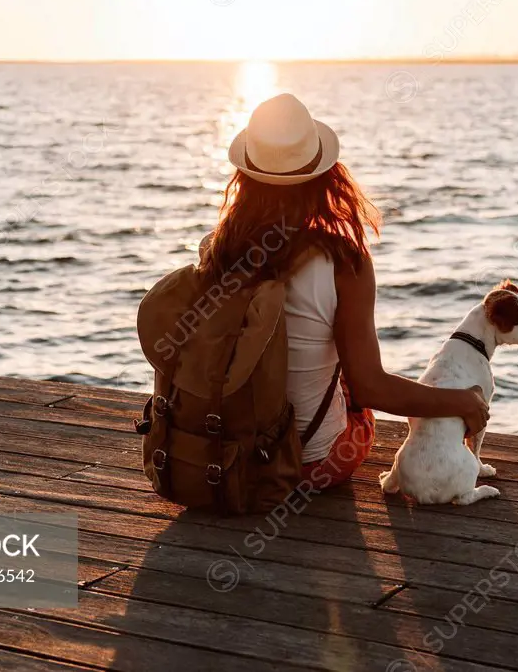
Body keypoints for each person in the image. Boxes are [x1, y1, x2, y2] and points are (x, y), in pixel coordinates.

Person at [198, 93, 489, 490]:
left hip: (223, 457)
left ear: (244, 177)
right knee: (352, 382)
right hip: (308, 464)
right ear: (324, 176)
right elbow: (371, 387)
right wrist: (462, 402)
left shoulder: (215, 249)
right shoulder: (344, 262)